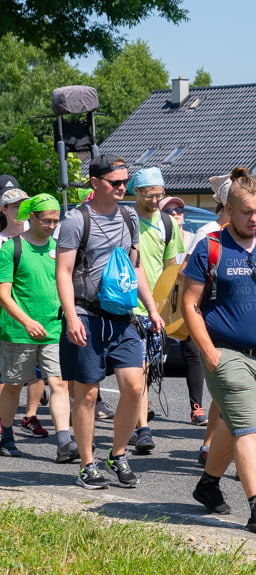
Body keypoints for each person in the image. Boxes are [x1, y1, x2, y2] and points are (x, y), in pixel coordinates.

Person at [182, 167, 256, 534]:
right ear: (229, 208)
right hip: (227, 355)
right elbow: (190, 305)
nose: (255, 218)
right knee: (249, 428)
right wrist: (209, 352)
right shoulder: (210, 247)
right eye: (247, 212)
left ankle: (208, 485)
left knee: (233, 423)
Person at [56, 154, 166, 489]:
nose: (122, 188)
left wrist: (152, 309)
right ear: (95, 183)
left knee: (134, 387)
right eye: (115, 182)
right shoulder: (77, 220)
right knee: (87, 395)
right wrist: (71, 315)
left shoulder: (130, 217)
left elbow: (136, 269)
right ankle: (88, 465)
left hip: (123, 317)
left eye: (124, 182)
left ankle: (117, 455)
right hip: (87, 316)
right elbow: (62, 271)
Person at [0, 194, 76, 461]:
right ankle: (6, 434)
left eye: (56, 221)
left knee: (59, 383)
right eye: (46, 220)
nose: (51, 225)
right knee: (13, 385)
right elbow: (4, 294)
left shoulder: (60, 248)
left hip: (54, 329)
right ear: (31, 217)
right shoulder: (12, 248)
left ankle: (64, 442)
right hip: (19, 330)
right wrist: (27, 321)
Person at [127, 168, 185, 453]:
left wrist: (166, 309)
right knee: (134, 371)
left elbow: (171, 269)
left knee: (144, 370)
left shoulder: (167, 223)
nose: (154, 200)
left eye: (158, 195)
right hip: (124, 306)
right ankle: (138, 427)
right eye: (149, 195)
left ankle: (138, 426)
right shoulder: (125, 219)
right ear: (135, 192)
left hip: (152, 309)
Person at [183, 175, 232, 465]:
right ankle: (216, 448)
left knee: (224, 394)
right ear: (229, 205)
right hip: (212, 320)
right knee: (227, 391)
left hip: (236, 321)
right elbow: (186, 273)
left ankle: (211, 444)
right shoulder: (208, 233)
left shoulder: (245, 234)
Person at [0, 185, 49, 439]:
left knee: (38, 372)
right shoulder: (3, 242)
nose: (20, 210)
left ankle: (30, 415)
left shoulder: (39, 237)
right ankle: (3, 422)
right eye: (14, 206)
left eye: (24, 205)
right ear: (4, 210)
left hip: (39, 317)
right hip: (8, 317)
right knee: (10, 376)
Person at [156, 195, 208, 427]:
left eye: (179, 210)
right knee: (156, 354)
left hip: (187, 304)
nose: (176, 214)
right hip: (163, 303)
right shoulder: (159, 238)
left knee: (192, 353)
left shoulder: (193, 238)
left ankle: (196, 407)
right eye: (170, 211)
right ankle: (143, 402)